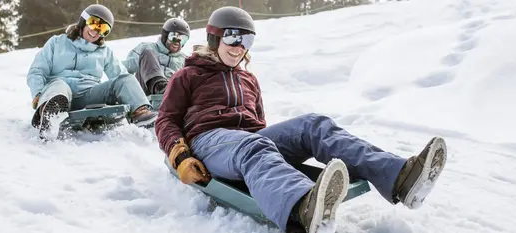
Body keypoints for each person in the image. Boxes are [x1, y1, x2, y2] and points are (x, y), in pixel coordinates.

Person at [154, 6, 448, 233]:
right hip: (210, 141)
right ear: (214, 36)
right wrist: (179, 155)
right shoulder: (188, 75)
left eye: (247, 39)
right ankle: (301, 209)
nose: (239, 46)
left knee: (313, 124)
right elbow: (166, 119)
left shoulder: (249, 79)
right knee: (252, 147)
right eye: (233, 36)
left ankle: (400, 179)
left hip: (251, 141)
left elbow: (260, 122)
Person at [27, 4, 158, 132]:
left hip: (87, 95)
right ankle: (50, 115)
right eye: (94, 23)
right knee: (59, 85)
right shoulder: (57, 42)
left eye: (103, 29)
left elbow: (120, 76)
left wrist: (133, 95)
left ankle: (141, 113)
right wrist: (38, 93)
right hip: (59, 94)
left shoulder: (104, 51)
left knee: (126, 79)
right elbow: (37, 70)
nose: (96, 32)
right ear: (83, 21)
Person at [123, 18, 190, 95]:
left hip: (172, 94)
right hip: (144, 94)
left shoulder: (184, 59)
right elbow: (123, 69)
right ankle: (159, 86)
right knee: (148, 52)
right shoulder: (145, 48)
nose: (177, 43)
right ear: (165, 35)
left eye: (183, 39)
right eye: (174, 37)